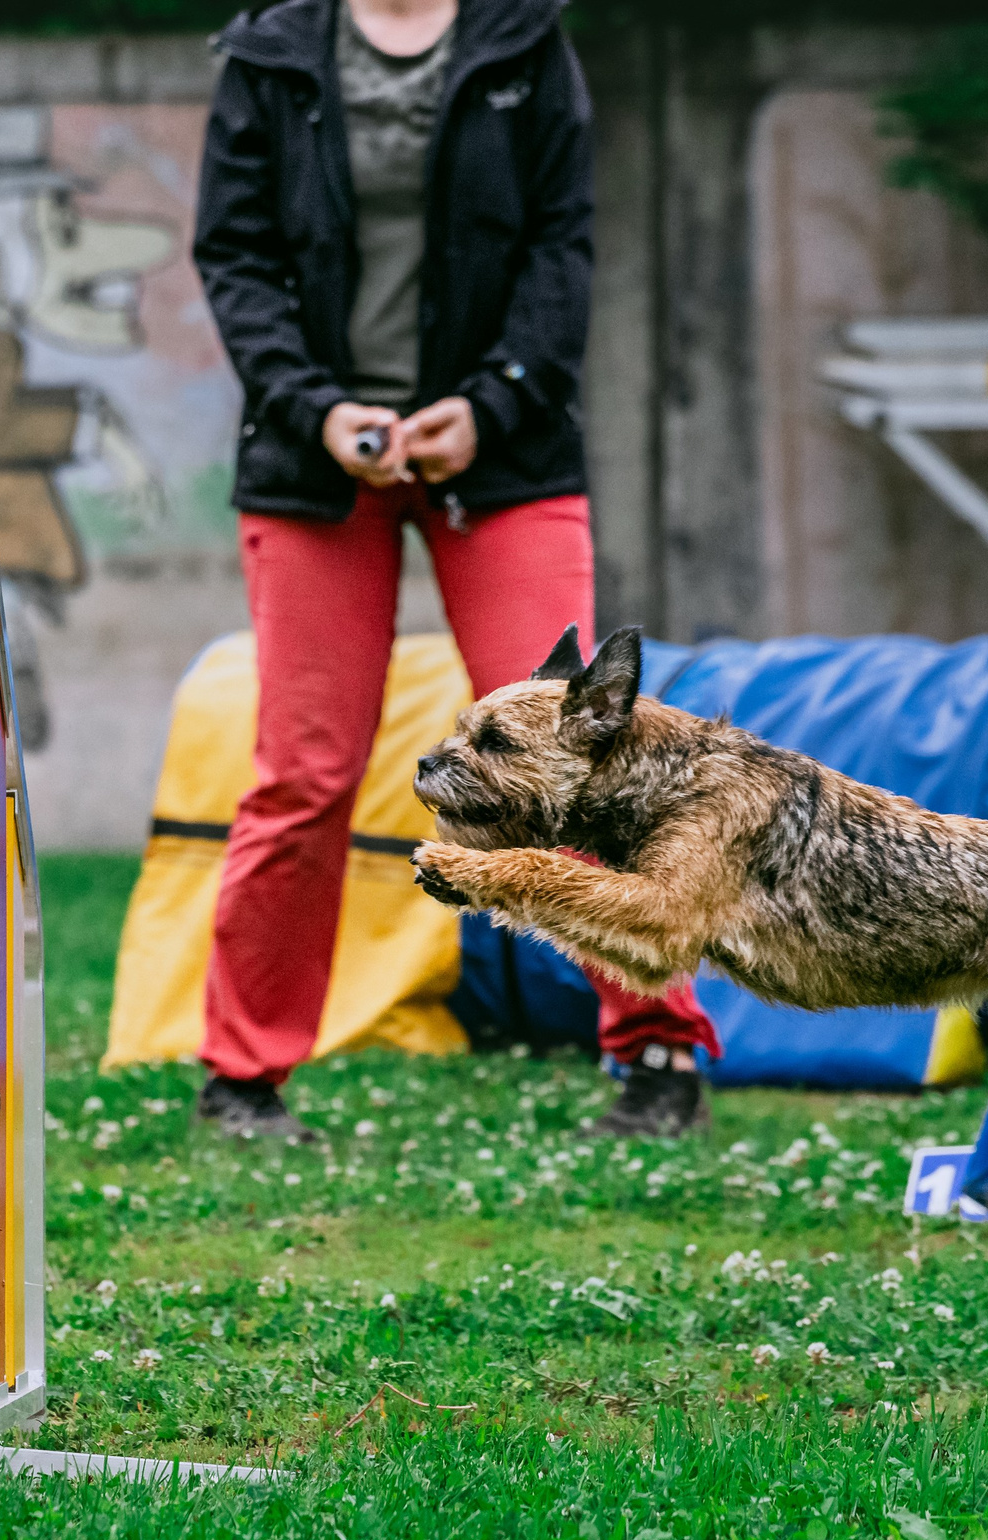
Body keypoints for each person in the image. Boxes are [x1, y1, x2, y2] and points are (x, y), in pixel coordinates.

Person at [190, 0, 719, 1142]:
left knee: (587, 754)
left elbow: (560, 248)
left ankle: (656, 1050)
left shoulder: (523, 43)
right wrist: (316, 409)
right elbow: (234, 258)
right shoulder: (271, 52)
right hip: (314, 458)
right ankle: (244, 1076)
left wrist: (490, 405)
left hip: (506, 452)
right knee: (306, 773)